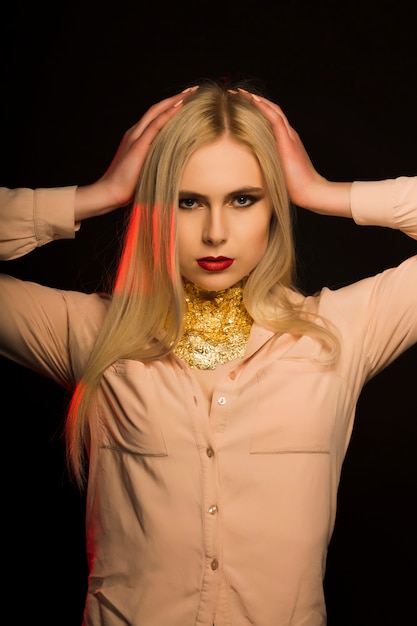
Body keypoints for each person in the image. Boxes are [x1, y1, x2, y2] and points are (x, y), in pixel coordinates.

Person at [0, 79, 416, 626]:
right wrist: (100, 193)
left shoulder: (340, 331)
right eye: (187, 201)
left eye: (244, 199)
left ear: (274, 205)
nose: (215, 232)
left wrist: (320, 192)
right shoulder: (91, 332)